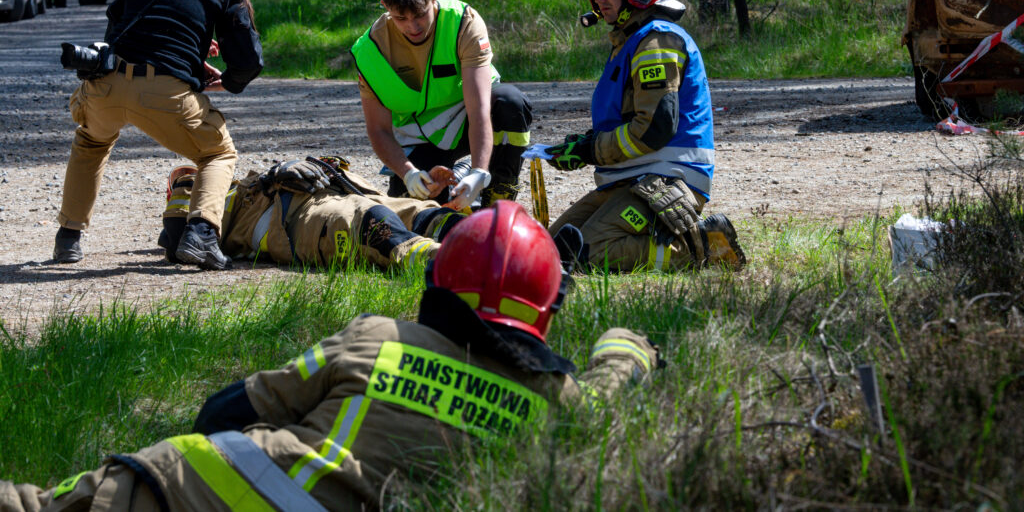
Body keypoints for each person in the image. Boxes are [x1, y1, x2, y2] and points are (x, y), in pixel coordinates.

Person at [1, 201, 660, 511]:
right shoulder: (558, 404)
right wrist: (629, 348)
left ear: (438, 287)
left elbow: (228, 411)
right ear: (545, 312)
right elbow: (609, 386)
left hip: (194, 491)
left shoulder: (381, 338)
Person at [52, 0, 263, 270]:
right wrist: (228, 81)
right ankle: (202, 234)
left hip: (106, 85)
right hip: (165, 95)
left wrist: (191, 55)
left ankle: (68, 237)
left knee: (91, 141)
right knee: (217, 153)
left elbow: (120, 35)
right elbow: (248, 59)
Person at [546, 0, 745, 273]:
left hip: (666, 178)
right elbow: (623, 124)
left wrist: (590, 150)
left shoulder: (657, 41)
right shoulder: (629, 42)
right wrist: (580, 146)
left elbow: (654, 129)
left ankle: (702, 247)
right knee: (553, 251)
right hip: (629, 178)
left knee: (585, 253)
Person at [352, 0, 533, 210]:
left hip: (468, 119)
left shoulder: (463, 22)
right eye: (400, 18)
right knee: (421, 214)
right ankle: (457, 175)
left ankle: (497, 200)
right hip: (420, 138)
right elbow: (378, 129)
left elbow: (479, 109)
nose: (413, 26)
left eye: (420, 14)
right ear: (385, 6)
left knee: (510, 102)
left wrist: (479, 172)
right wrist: (408, 173)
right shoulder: (370, 51)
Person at [159, 156, 467, 270]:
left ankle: (479, 239)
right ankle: (453, 263)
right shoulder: (198, 197)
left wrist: (283, 172)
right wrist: (186, 184)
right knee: (363, 220)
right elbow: (177, 242)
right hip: (289, 221)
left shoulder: (241, 183)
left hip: (333, 189)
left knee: (422, 213)